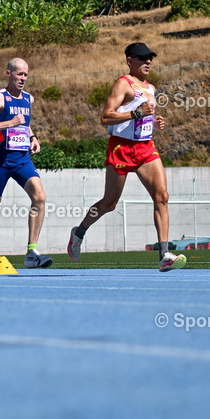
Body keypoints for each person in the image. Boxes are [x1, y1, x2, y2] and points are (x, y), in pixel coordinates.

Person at [67, 42, 187, 271]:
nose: (147, 62)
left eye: (150, 58)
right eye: (142, 58)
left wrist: (154, 122)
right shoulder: (123, 84)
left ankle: (164, 255)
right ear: (129, 61)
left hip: (145, 148)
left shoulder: (150, 88)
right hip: (121, 148)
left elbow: (144, 116)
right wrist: (136, 112)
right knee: (109, 203)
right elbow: (106, 117)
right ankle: (79, 232)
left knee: (162, 196)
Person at [0, 57, 51, 275]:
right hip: (1, 160)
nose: (23, 78)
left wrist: (33, 137)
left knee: (39, 197)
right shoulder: (0, 98)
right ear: (8, 74)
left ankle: (32, 253)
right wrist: (9, 123)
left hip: (22, 159)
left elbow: (25, 123)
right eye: (19, 74)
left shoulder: (28, 99)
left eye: (25, 75)